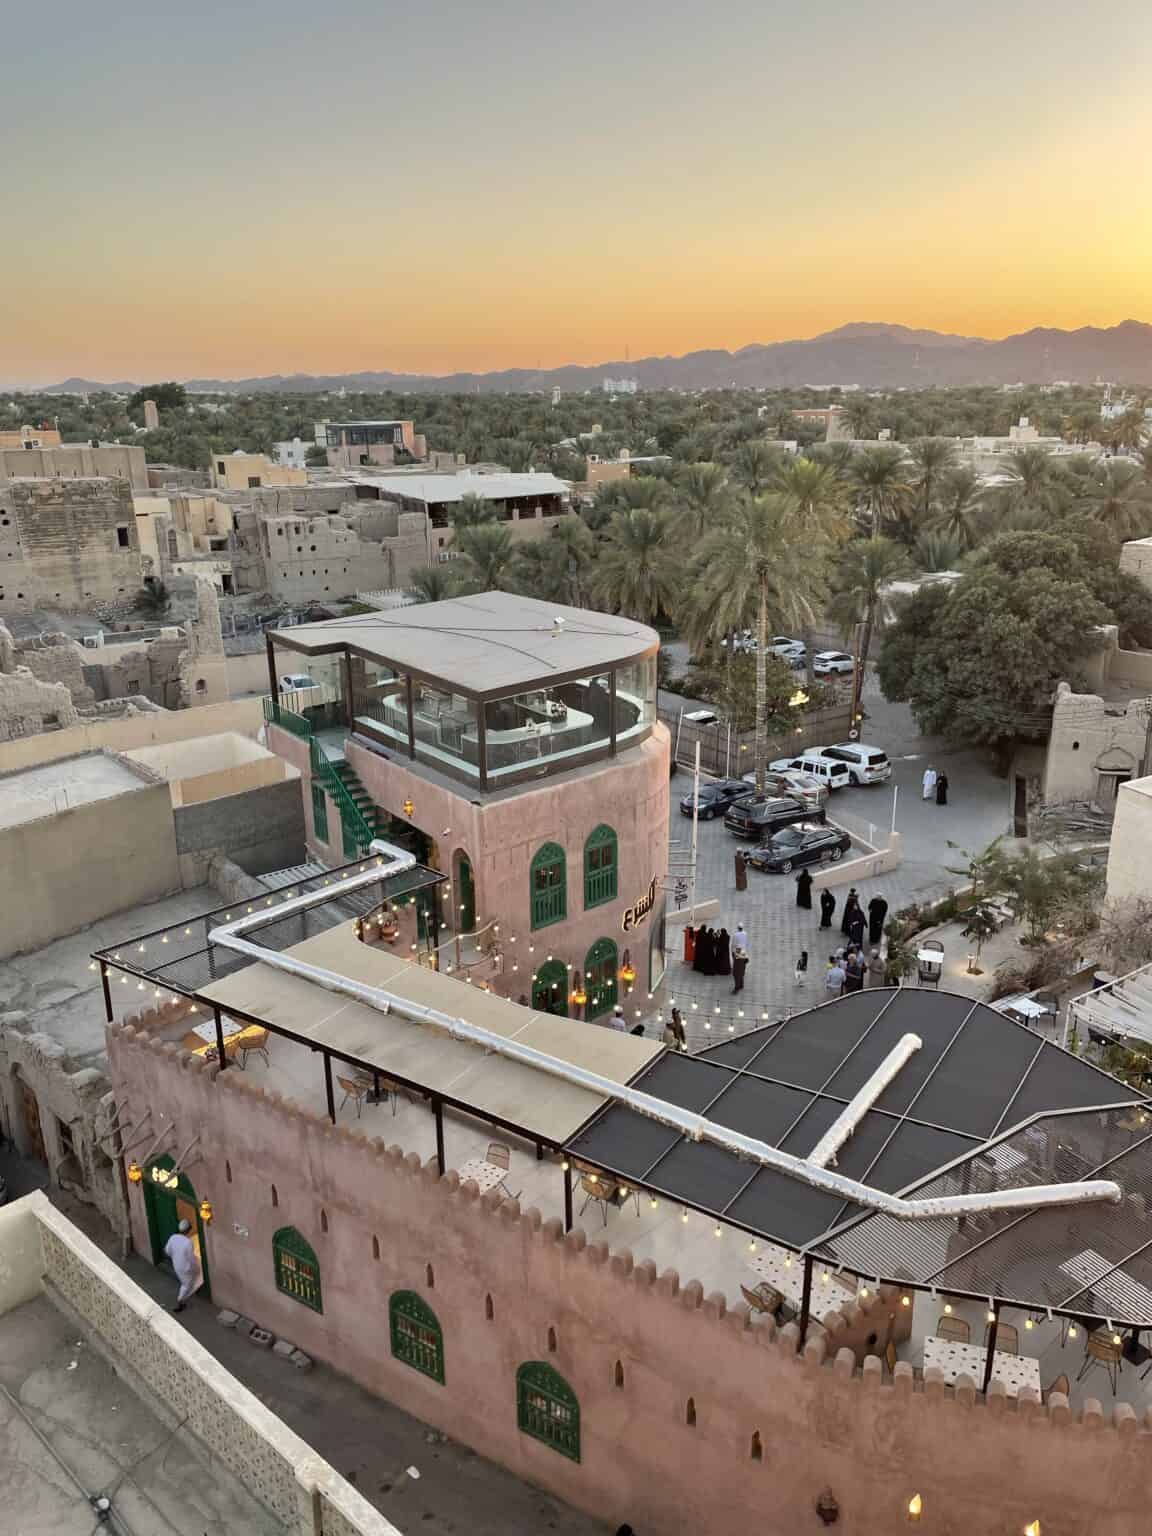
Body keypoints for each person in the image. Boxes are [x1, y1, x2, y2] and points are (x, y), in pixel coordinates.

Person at [164, 1219, 201, 1313]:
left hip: (176, 1265)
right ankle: (180, 1302)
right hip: (186, 1268)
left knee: (185, 1283)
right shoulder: (188, 1242)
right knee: (187, 1285)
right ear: (188, 1230)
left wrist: (176, 1256)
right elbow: (191, 1259)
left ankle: (182, 1299)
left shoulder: (173, 1237)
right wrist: (196, 1267)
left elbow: (167, 1251)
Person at [731, 925, 749, 993]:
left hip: (738, 951)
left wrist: (733, 953)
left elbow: (733, 945)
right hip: (743, 951)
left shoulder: (735, 935)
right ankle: (741, 984)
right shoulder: (745, 933)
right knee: (741, 969)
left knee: (736, 972)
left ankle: (737, 987)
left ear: (738, 928)